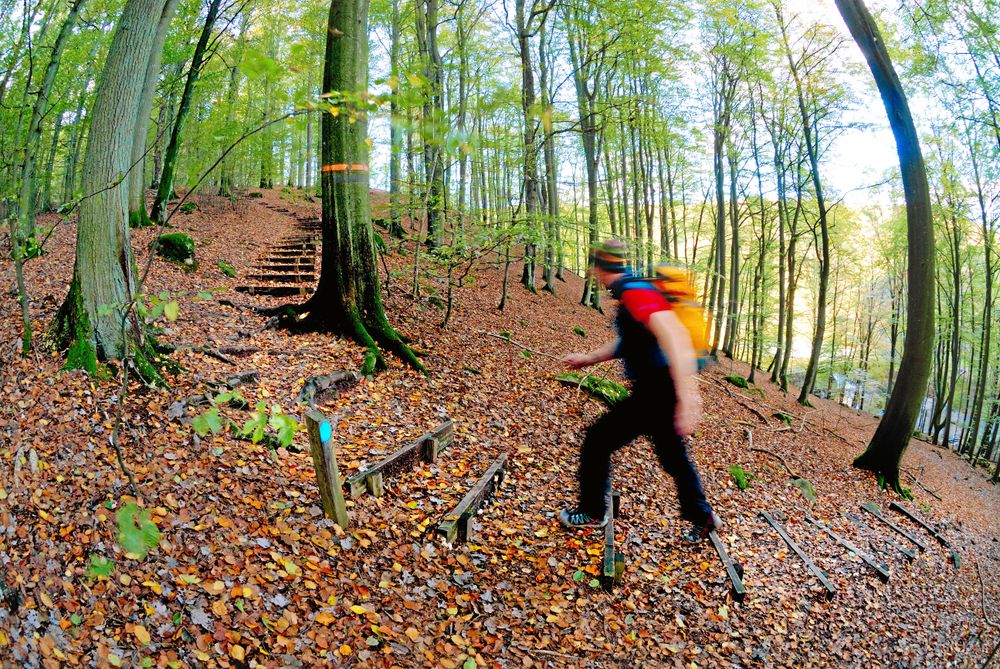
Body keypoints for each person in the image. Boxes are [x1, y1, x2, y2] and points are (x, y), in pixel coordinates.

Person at [559, 240, 721, 543]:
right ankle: (702, 515)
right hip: (659, 391)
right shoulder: (633, 292)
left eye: (595, 268)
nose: (594, 275)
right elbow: (631, 342)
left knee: (597, 441)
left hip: (656, 391)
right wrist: (588, 358)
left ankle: (592, 511)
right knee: (673, 458)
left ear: (601, 268)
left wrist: (689, 396)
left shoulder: (635, 292)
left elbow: (673, 335)